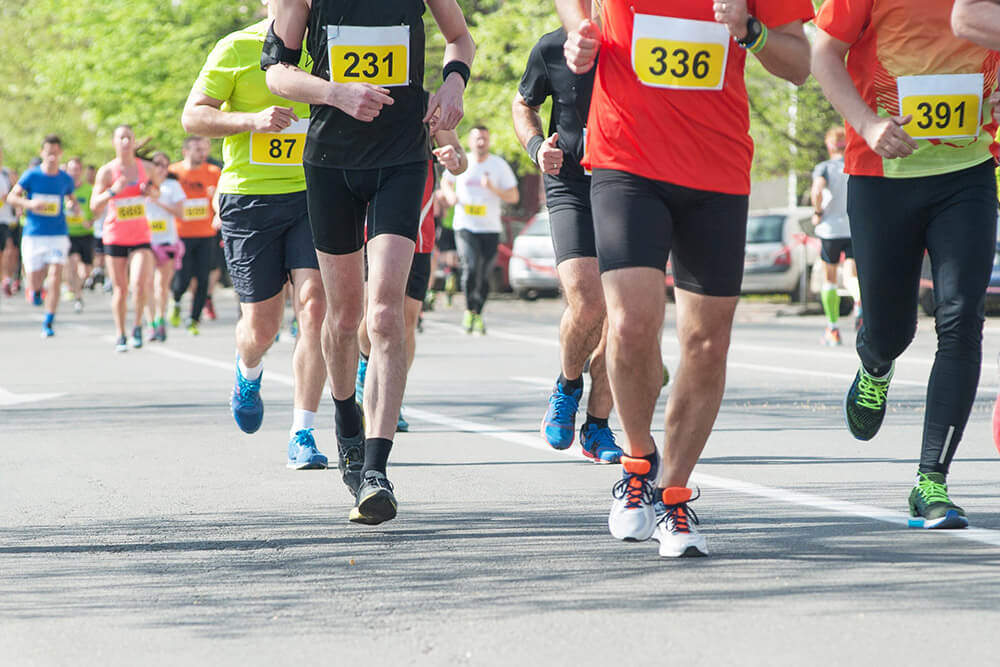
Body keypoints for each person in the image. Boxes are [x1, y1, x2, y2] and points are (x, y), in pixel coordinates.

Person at [557, 0, 812, 557]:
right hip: (627, 159)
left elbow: (798, 62)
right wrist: (580, 29)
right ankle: (636, 465)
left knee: (707, 342)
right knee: (629, 325)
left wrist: (749, 29)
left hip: (716, 167)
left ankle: (673, 495)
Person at [266, 0, 475, 524]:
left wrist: (453, 84)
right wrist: (336, 92)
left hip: (402, 160)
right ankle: (345, 420)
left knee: (383, 316)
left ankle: (377, 471)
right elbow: (276, 72)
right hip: (331, 163)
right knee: (341, 316)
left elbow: (459, 38)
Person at [813, 0, 1000, 529]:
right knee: (891, 329)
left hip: (967, 170)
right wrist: (868, 124)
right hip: (882, 172)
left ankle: (931, 483)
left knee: (961, 320)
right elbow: (824, 51)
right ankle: (875, 363)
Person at [183, 8, 331, 471]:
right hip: (250, 201)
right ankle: (248, 372)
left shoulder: (329, 45)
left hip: (314, 195)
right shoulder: (237, 47)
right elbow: (193, 117)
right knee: (262, 327)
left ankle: (302, 432)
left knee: (314, 307)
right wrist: (252, 121)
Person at [512, 27, 621, 463]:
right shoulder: (554, 46)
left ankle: (597, 427)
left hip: (630, 185)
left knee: (625, 314)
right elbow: (524, 104)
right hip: (571, 184)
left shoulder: (641, 40)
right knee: (588, 301)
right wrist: (537, 147)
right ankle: (568, 385)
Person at [356, 125, 468, 432]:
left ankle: (393, 396)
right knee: (372, 316)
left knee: (406, 320)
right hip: (371, 230)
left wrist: (453, 158)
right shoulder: (363, 100)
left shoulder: (429, 108)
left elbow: (461, 160)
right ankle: (365, 368)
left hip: (419, 234)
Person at [439, 126, 519, 334]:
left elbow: (514, 196)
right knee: (471, 267)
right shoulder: (463, 162)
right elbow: (446, 182)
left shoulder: (498, 166)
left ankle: (478, 312)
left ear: (489, 141)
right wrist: (450, 196)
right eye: (477, 138)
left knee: (484, 274)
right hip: (465, 225)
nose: (481, 142)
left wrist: (493, 188)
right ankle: (468, 310)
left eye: (484, 138)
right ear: (470, 141)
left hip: (490, 228)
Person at [91, 125, 157, 352]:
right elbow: (94, 206)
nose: (126, 142)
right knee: (121, 289)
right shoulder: (107, 172)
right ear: (114, 142)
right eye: (122, 138)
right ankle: (120, 333)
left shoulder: (146, 168)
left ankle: (138, 325)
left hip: (141, 235)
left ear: (134, 140)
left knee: (139, 283)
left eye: (129, 137)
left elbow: (156, 192)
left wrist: (150, 193)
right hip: (115, 235)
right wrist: (113, 191)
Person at [5, 135, 78, 337]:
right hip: (34, 234)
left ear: (60, 153)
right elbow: (12, 197)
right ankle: (35, 290)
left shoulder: (65, 179)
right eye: (49, 152)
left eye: (56, 153)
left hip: (58, 233)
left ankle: (49, 319)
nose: (52, 157)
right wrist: (30, 205)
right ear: (42, 153)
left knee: (55, 275)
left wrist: (73, 206)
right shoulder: (31, 176)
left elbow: (72, 200)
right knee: (35, 278)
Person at [810, 125, 860, 344]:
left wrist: (817, 212)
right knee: (851, 276)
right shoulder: (854, 165)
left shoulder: (824, 168)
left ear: (829, 145)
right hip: (853, 227)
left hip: (830, 230)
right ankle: (860, 303)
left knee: (829, 278)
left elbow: (817, 191)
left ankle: (833, 328)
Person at [169, 136, 221, 335]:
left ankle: (194, 318)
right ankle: (175, 300)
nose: (202, 153)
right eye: (197, 149)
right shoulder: (173, 172)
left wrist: (216, 204)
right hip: (181, 234)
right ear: (186, 151)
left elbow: (221, 197)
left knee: (203, 278)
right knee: (183, 278)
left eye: (203, 149)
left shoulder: (214, 172)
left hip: (206, 233)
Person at [144, 151, 186, 343]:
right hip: (145, 243)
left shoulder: (172, 186)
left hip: (167, 242)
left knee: (162, 285)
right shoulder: (142, 185)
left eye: (164, 165)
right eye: (157, 164)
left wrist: (158, 202)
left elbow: (181, 213)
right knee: (147, 284)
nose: (161, 168)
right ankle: (150, 323)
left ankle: (161, 320)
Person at [64, 156, 95, 313]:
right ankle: (77, 295)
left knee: (86, 270)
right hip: (68, 233)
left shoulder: (89, 189)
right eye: (71, 170)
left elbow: (96, 209)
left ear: (81, 171)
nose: (74, 173)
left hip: (86, 233)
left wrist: (91, 220)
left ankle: (77, 288)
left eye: (77, 170)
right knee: (73, 261)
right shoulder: (63, 188)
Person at [0, 148, 17, 296]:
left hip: (5, 219)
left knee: (8, 249)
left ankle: (6, 279)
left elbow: (15, 192)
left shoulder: (6, 173)